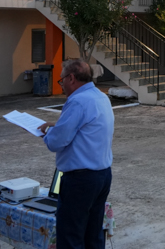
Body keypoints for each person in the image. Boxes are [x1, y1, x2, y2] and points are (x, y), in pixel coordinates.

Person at [37, 60, 114, 249]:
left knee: (71, 238)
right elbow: (86, 127)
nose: (61, 85)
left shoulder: (78, 101)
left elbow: (56, 142)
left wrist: (47, 133)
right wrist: (56, 125)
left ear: (71, 78)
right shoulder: (100, 96)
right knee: (93, 236)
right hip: (102, 176)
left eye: (61, 80)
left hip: (80, 180)